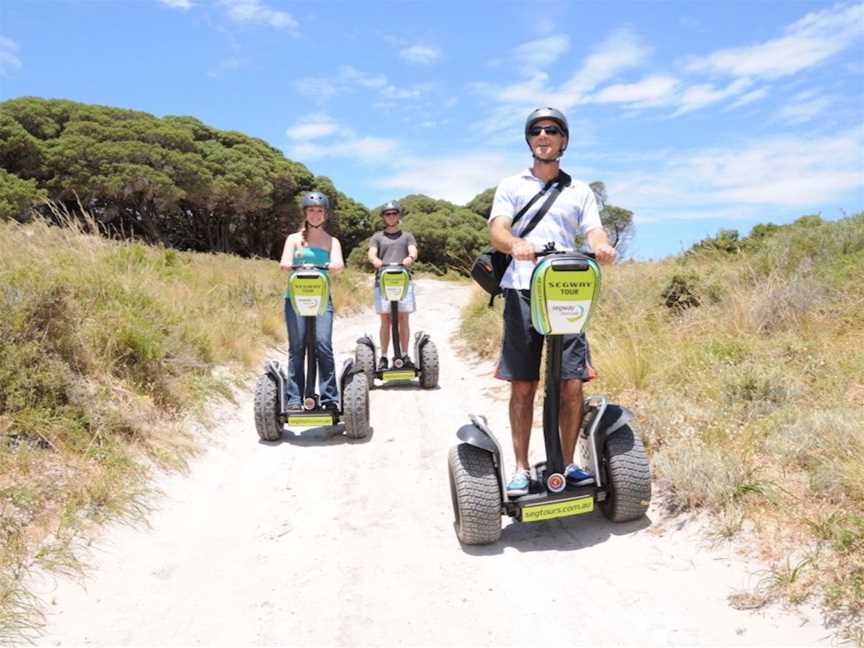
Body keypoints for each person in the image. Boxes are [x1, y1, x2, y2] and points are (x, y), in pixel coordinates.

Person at [488, 107, 617, 497]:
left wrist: (602, 247)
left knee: (571, 384)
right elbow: (498, 230)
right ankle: (522, 468)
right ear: (529, 140)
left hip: (566, 291)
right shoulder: (512, 185)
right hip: (523, 288)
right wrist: (515, 245)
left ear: (564, 140)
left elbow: (593, 231)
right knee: (523, 384)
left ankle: (570, 463)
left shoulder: (579, 190)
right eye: (537, 131)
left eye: (552, 131)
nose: (544, 136)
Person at [279, 191, 345, 412]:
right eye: (311, 210)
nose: (315, 214)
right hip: (295, 298)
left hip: (321, 298)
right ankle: (295, 398)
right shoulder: (293, 239)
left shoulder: (331, 241)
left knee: (323, 345)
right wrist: (289, 264)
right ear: (305, 213)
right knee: (297, 347)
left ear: (325, 214)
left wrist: (334, 265)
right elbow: (285, 262)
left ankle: (329, 398)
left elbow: (338, 264)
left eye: (319, 211)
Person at [367, 200, 418, 371]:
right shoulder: (377, 237)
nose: (391, 216)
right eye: (388, 214)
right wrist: (375, 261)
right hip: (383, 280)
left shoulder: (407, 236)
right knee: (385, 320)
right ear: (383, 217)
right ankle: (383, 357)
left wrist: (409, 258)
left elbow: (413, 251)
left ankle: (404, 355)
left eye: (394, 213)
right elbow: (372, 253)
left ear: (398, 215)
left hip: (403, 280)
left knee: (403, 317)